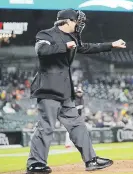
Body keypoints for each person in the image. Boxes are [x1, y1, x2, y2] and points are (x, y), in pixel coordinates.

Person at [26, 9, 126, 174]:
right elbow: (41, 51)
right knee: (46, 127)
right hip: (48, 88)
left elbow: (87, 48)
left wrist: (111, 45)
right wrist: (64, 46)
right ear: (66, 21)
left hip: (65, 91)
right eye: (77, 21)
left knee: (78, 126)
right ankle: (35, 164)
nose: (80, 25)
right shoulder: (46, 34)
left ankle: (91, 160)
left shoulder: (73, 37)